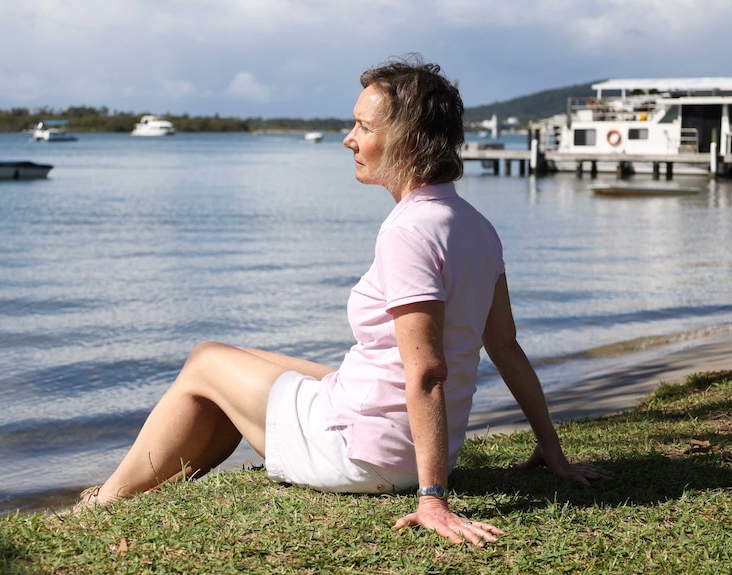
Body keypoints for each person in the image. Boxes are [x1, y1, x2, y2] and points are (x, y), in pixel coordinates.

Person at [67, 55, 603, 546]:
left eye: (364, 128)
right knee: (259, 370)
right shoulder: (477, 227)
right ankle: (144, 487)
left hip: (369, 456)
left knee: (207, 360)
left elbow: (428, 373)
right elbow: (505, 344)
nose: (349, 139)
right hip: (392, 435)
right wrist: (551, 448)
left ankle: (109, 498)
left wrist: (434, 498)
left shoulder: (408, 232)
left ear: (408, 140)